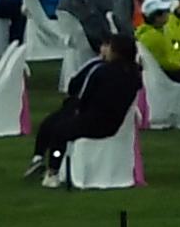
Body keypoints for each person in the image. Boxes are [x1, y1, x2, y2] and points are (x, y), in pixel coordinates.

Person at [32, 28, 144, 183]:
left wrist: (78, 111)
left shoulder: (102, 71)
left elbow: (84, 96)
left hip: (94, 122)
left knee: (59, 133)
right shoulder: (134, 74)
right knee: (60, 126)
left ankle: (53, 170)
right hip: (115, 123)